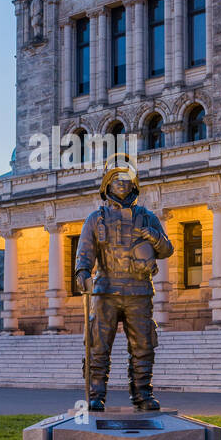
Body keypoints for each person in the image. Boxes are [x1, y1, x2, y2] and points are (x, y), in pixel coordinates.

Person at [73, 158, 173, 411]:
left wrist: (154, 237)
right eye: (117, 179)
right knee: (98, 345)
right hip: (106, 291)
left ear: (134, 185)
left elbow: (167, 249)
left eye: (127, 180)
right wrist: (82, 272)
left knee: (143, 345)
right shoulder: (96, 219)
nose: (122, 184)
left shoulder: (147, 217)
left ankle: (142, 393)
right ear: (108, 183)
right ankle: (96, 394)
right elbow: (85, 251)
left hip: (139, 291)